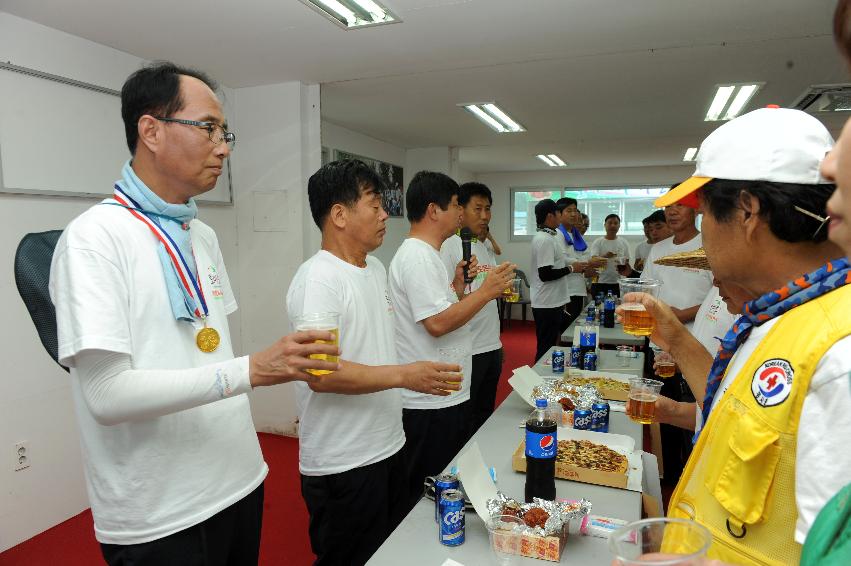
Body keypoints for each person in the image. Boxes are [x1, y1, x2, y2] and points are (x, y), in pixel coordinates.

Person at [48, 62, 339, 565]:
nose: (223, 146)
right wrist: (250, 370)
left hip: (238, 480)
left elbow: (207, 348)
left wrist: (241, 372)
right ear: (151, 130)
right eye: (208, 129)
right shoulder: (94, 239)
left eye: (226, 133)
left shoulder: (199, 234)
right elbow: (106, 394)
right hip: (162, 513)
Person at [642, 107, 851, 565]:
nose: (703, 236)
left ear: (746, 211)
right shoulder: (778, 315)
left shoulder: (839, 354)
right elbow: (741, 427)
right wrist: (676, 338)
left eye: (706, 217)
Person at [288, 160, 464, 565]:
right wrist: (405, 374)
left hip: (387, 444)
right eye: (374, 205)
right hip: (344, 460)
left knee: (387, 551)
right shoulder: (318, 279)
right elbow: (320, 371)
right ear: (339, 215)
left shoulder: (375, 268)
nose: (386, 214)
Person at [389, 171, 514, 510]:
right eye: (457, 205)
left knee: (445, 480)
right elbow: (437, 324)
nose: (461, 213)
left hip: (446, 393)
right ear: (434, 210)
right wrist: (487, 292)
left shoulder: (429, 254)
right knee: (426, 488)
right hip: (430, 401)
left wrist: (459, 288)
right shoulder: (416, 255)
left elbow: (442, 310)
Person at [439, 182, 505, 434]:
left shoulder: (482, 246)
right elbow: (446, 300)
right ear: (460, 210)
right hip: (468, 350)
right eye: (477, 209)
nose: (485, 216)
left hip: (490, 347)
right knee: (465, 421)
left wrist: (497, 344)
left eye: (487, 209)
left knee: (485, 416)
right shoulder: (449, 246)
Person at [529, 199, 573, 362]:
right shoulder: (544, 239)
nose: (560, 217)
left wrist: (574, 265)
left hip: (552, 301)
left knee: (552, 342)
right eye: (559, 213)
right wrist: (572, 269)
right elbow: (545, 274)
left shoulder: (549, 236)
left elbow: (557, 263)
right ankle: (537, 383)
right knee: (545, 347)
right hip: (547, 303)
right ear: (550, 216)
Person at [554, 197, 595, 324]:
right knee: (564, 327)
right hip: (565, 288)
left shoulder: (576, 234)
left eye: (575, 210)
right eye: (569, 210)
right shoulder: (557, 233)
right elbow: (562, 259)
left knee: (574, 324)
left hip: (578, 287)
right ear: (559, 213)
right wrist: (587, 263)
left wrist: (589, 263)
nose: (574, 214)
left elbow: (586, 255)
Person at [589, 213, 631, 296]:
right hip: (599, 281)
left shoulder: (624, 242)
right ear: (605, 225)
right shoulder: (598, 242)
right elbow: (593, 261)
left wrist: (621, 262)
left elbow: (627, 261)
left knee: (617, 307)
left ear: (619, 226)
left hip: (618, 282)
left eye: (615, 223)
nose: (613, 225)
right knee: (599, 307)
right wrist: (605, 256)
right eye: (610, 223)